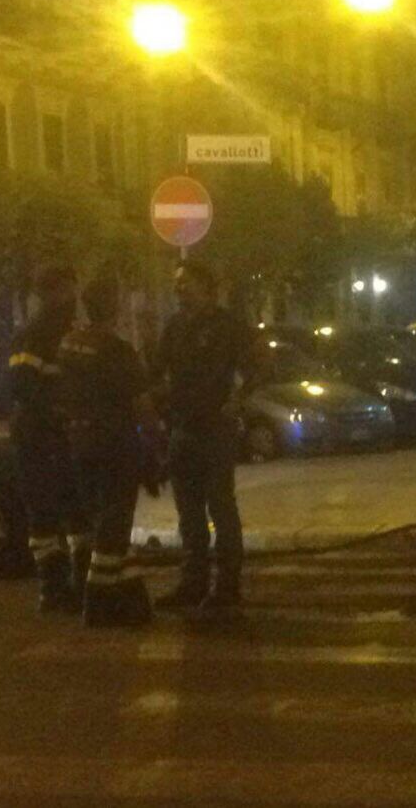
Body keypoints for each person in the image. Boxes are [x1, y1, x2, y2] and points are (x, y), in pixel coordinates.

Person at [152, 261, 262, 612]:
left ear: (204, 285)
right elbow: (156, 370)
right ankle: (193, 582)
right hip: (183, 428)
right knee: (189, 512)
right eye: (176, 283)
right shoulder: (174, 327)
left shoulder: (228, 325)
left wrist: (237, 401)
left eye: (185, 282)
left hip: (215, 429)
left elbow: (257, 367)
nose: (178, 289)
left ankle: (227, 587)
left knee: (220, 506)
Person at [58, 275, 157, 627]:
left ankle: (130, 596)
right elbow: (141, 404)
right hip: (114, 443)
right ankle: (97, 600)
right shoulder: (118, 350)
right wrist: (154, 445)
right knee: (115, 523)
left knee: (102, 520)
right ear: (114, 307)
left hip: (79, 441)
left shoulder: (69, 343)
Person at [6, 266, 84, 612]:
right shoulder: (36, 335)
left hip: (63, 435)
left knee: (77, 511)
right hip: (40, 436)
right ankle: (53, 588)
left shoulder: (70, 332)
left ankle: (78, 583)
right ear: (50, 294)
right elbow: (20, 384)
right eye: (66, 290)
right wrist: (57, 414)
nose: (72, 297)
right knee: (45, 514)